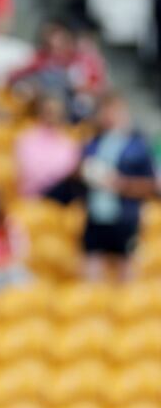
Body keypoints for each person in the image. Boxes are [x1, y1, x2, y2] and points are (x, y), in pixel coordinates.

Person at [80, 94, 156, 282]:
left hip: (124, 218)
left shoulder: (137, 147)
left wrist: (120, 184)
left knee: (126, 268)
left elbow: (150, 186)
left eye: (113, 110)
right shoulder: (93, 143)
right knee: (92, 269)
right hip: (96, 216)